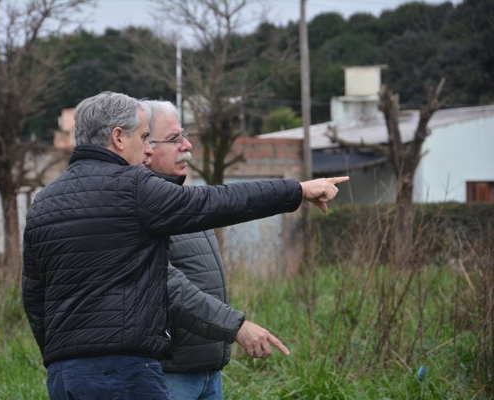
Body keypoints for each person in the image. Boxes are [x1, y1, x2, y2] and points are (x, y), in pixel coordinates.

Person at [22, 91, 348, 400]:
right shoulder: (135, 187)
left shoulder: (43, 202)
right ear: (118, 138)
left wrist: (59, 356)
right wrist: (297, 190)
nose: (147, 150)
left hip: (65, 375)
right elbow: (218, 201)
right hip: (124, 371)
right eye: (142, 138)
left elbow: (35, 296)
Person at [143, 100, 286, 399]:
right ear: (144, 146)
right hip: (169, 376)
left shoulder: (183, 203)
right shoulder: (143, 210)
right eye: (174, 139)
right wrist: (236, 327)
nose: (187, 145)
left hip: (209, 373)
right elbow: (169, 289)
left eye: (185, 135)